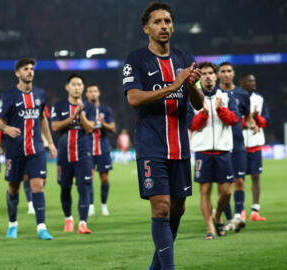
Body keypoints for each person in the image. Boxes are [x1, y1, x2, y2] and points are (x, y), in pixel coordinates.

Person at [122, 2, 203, 269]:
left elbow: (199, 102)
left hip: (179, 146)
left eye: (168, 21)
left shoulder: (184, 57)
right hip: (151, 145)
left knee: (177, 211)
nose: (164, 26)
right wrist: (174, 84)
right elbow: (134, 98)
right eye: (157, 22)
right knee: (161, 209)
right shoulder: (136, 60)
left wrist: (190, 86)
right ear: (146, 28)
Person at [0, 58, 56, 240]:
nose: (30, 71)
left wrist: (50, 142)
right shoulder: (8, 96)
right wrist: (6, 128)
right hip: (15, 150)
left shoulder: (40, 94)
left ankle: (41, 227)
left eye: (31, 69)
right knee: (13, 188)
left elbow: (43, 118)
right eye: (25, 69)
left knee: (37, 186)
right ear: (17, 73)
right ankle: (12, 224)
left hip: (36, 149)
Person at [187, 62, 239, 239]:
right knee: (205, 190)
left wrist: (220, 110)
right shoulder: (193, 98)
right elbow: (191, 125)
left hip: (224, 150)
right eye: (204, 74)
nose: (208, 76)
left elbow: (234, 120)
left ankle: (217, 216)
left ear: (216, 76)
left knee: (226, 192)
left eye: (211, 73)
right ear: (199, 78)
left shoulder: (226, 96)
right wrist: (204, 114)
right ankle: (209, 227)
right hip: (202, 150)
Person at [51, 73, 95, 234]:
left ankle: (82, 223)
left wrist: (81, 113)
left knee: (84, 188)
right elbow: (55, 127)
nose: (77, 87)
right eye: (74, 84)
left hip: (83, 154)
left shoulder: (89, 107)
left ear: (83, 88)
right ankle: (68, 219)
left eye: (79, 85)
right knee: (65, 188)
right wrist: (74, 115)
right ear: (67, 87)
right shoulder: (59, 106)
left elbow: (90, 128)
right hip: (64, 154)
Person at [217, 62, 256, 230]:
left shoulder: (242, 94)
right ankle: (227, 218)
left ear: (233, 74)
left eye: (229, 71)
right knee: (224, 185)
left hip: (238, 143)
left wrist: (252, 124)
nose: (226, 74)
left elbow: (247, 117)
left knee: (239, 180)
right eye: (223, 71)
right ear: (218, 74)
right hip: (220, 144)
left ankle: (238, 216)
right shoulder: (213, 93)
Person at [240, 74, 270, 221]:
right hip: (239, 144)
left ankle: (255, 211)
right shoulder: (235, 97)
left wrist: (256, 118)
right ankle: (241, 210)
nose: (254, 83)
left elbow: (265, 122)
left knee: (256, 177)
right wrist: (248, 120)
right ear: (242, 83)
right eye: (250, 81)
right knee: (239, 179)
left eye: (254, 80)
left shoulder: (259, 98)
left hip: (256, 143)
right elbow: (231, 120)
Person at [85, 83, 116, 216]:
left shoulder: (105, 109)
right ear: (86, 94)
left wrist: (102, 123)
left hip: (103, 147)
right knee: (89, 178)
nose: (92, 93)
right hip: (87, 147)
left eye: (95, 91)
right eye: (90, 91)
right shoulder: (83, 109)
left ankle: (103, 205)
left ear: (99, 93)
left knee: (104, 179)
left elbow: (113, 128)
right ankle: (90, 205)